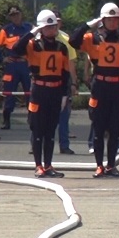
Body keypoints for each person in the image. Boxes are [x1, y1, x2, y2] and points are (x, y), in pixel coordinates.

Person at [70, 2, 119, 178]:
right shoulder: (92, 38)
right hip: (100, 86)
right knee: (98, 128)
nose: (113, 23)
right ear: (103, 20)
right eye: (109, 19)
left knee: (115, 129)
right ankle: (99, 166)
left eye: (116, 20)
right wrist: (89, 24)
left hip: (118, 87)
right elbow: (73, 40)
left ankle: (111, 166)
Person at [12, 9, 69, 178]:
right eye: (48, 27)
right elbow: (16, 49)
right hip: (39, 90)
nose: (51, 30)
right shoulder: (33, 45)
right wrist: (32, 32)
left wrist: (65, 94)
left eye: (53, 27)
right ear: (42, 28)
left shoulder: (61, 47)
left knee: (51, 131)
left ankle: (49, 164)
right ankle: (38, 166)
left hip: (55, 90)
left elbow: (65, 73)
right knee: (38, 130)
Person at [0, 5, 32, 130]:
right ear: (10, 17)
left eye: (17, 14)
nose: (15, 17)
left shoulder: (29, 28)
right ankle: (6, 119)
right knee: (9, 93)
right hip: (12, 65)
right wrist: (2, 59)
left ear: (21, 14)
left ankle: (32, 118)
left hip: (25, 64)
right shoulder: (6, 30)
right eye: (12, 15)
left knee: (30, 92)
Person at [54, 11, 78, 155]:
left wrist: (74, 83)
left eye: (57, 21)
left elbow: (71, 63)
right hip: (44, 81)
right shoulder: (38, 39)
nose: (55, 25)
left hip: (63, 80)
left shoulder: (66, 39)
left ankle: (64, 145)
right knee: (41, 117)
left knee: (64, 115)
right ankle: (37, 144)